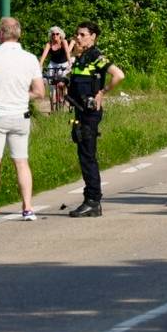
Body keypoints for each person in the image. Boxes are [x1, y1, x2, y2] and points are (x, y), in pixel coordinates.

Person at [0, 17, 45, 223]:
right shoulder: (30, 58)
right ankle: (28, 208)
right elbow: (40, 92)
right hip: (20, 115)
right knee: (21, 162)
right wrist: (22, 96)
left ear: (1, 34)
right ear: (19, 34)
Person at [67, 20, 125, 218]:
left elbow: (118, 75)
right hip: (80, 111)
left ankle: (93, 200)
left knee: (88, 156)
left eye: (83, 34)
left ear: (93, 36)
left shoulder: (95, 56)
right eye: (77, 34)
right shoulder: (81, 57)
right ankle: (91, 199)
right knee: (84, 155)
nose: (78, 37)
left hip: (89, 113)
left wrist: (103, 92)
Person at [40, 26, 75, 112]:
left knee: (61, 84)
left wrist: (70, 64)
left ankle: (63, 101)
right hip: (53, 64)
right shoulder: (49, 44)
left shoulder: (64, 42)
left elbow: (67, 53)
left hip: (64, 63)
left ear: (60, 35)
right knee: (52, 86)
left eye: (57, 34)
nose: (55, 35)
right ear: (51, 35)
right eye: (53, 34)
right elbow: (43, 56)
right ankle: (52, 108)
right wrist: (40, 65)